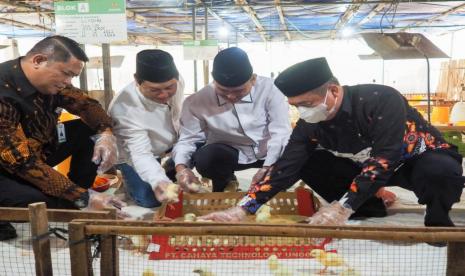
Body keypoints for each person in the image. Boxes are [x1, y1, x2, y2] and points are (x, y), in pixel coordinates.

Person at [201, 57, 464, 228]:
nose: (302, 112)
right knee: (308, 161)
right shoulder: (310, 124)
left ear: (334, 91)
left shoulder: (380, 99)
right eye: (295, 106)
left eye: (306, 104)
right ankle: (368, 206)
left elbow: (385, 157)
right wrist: (243, 209)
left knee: (439, 170)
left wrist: (343, 206)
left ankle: (437, 217)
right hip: (364, 168)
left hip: (413, 162)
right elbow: (286, 167)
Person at [0, 35, 119, 240]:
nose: (68, 82)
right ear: (38, 61)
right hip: (8, 164)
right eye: (66, 74)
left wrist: (105, 133)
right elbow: (22, 162)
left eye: (72, 76)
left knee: (87, 131)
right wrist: (79, 197)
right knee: (35, 201)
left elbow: (86, 104)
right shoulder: (3, 90)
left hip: (37, 148)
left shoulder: (52, 83)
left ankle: (79, 197)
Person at [172, 47, 291, 193]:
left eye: (239, 91)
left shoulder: (270, 89)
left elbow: (280, 131)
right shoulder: (196, 101)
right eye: (223, 91)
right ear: (214, 80)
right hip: (232, 154)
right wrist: (181, 169)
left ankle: (272, 184)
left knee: (296, 152)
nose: (231, 97)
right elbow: (188, 140)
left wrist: (269, 166)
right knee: (206, 158)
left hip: (267, 150)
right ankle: (226, 182)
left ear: (253, 79)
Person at [108, 49, 184, 208]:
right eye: (155, 90)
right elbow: (140, 153)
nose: (164, 95)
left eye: (170, 87)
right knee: (151, 200)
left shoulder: (176, 81)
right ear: (137, 80)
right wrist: (159, 181)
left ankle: (169, 167)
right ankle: (130, 181)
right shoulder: (124, 108)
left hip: (168, 143)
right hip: (134, 154)